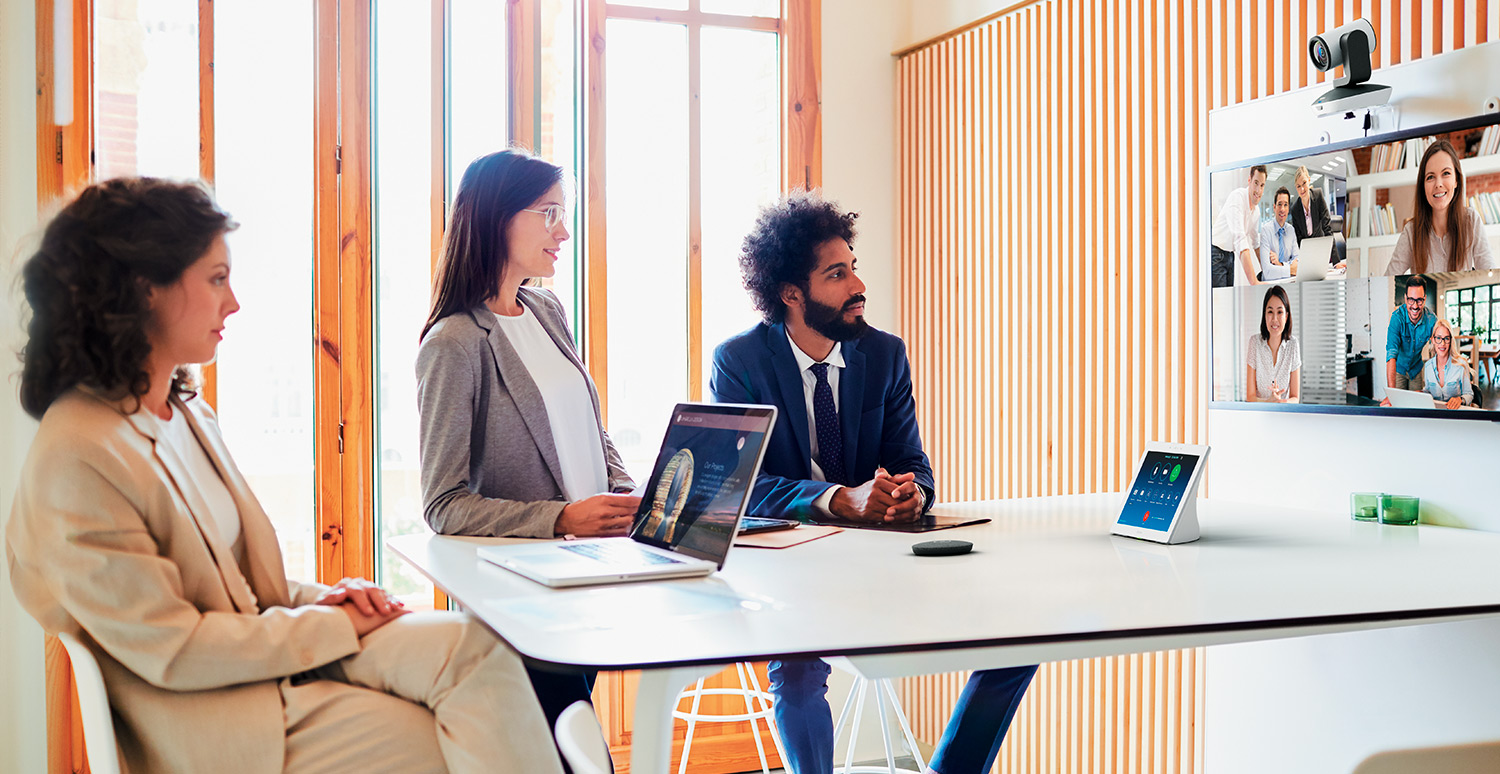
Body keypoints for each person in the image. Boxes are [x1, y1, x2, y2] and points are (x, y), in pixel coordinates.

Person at [5, 178, 566, 774]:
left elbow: (240, 586)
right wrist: (328, 624)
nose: (235, 303)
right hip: (218, 713)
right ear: (145, 290)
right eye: (217, 279)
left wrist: (331, 599)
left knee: (480, 652)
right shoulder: (77, 456)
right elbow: (174, 649)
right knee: (434, 736)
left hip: (270, 653)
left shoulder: (186, 411)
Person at [709, 193, 1037, 774]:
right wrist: (839, 498)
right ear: (791, 293)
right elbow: (741, 487)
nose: (857, 284)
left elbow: (913, 459)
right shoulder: (740, 361)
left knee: (1024, 634)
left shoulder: (884, 355)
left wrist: (913, 493)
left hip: (887, 558)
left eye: (853, 265)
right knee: (800, 666)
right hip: (792, 563)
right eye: (837, 274)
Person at [415, 149, 640, 758]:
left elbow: (588, 428)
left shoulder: (547, 310)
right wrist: (560, 519)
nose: (562, 231)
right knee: (570, 745)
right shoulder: (454, 343)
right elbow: (444, 503)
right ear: (496, 219)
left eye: (562, 214)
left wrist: (625, 490)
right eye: (548, 214)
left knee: (569, 741)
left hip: (596, 564)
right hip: (529, 589)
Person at [1384, 139, 1496, 275]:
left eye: (1446, 173)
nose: (1438, 184)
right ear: (1423, 186)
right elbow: (1388, 281)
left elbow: (1491, 276)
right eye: (1430, 177)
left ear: (1456, 180)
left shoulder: (1471, 220)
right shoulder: (1412, 231)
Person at [1382, 275, 1438, 402]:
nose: (1415, 306)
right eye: (1411, 300)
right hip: (1398, 369)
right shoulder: (1397, 318)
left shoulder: (1431, 320)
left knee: (1416, 406)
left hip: (1416, 369)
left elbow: (1439, 349)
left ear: (1425, 299)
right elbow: (1391, 355)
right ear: (1405, 298)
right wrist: (1391, 395)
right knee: (1397, 404)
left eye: (1419, 300)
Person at [1211, 164, 1268, 287]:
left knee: (1228, 297)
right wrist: (1254, 282)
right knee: (1221, 300)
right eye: (1256, 183)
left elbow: (1255, 243)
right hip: (1216, 253)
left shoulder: (1256, 211)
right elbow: (1240, 239)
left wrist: (1266, 270)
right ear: (1249, 181)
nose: (1258, 190)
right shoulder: (1237, 198)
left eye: (1262, 185)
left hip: (1230, 255)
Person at [1245, 285, 1301, 402]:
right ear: (1264, 315)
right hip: (1259, 415)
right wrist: (1269, 401)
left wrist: (1281, 402)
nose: (1275, 319)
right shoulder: (1254, 343)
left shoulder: (1293, 345)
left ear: (1286, 316)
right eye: (1270, 312)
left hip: (1283, 414)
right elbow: (1250, 397)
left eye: (1280, 312)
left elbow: (1295, 397)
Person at [1421, 318, 1473, 409]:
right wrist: (1420, 393)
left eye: (1446, 338)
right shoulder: (1428, 366)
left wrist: (1460, 399)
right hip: (1436, 415)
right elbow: (1427, 391)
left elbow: (1469, 394)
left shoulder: (1461, 365)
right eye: (1438, 338)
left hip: (1455, 415)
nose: (1442, 343)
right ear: (1433, 340)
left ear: (1450, 341)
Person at [1256, 187, 1301, 281]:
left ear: (1289, 208)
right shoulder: (1266, 231)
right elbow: (1267, 272)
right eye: (1279, 204)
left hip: (1289, 281)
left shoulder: (1291, 230)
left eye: (1285, 205)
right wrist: (1290, 269)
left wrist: (1280, 265)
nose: (1282, 209)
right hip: (1270, 284)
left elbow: (1297, 259)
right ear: (1274, 207)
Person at [1289, 165, 1332, 246]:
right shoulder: (1295, 209)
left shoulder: (1318, 195)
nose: (1302, 189)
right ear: (1296, 187)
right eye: (1298, 186)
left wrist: (1334, 257)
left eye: (1304, 183)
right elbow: (1298, 238)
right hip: (1307, 249)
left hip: (1321, 244)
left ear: (1309, 180)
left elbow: (1327, 228)